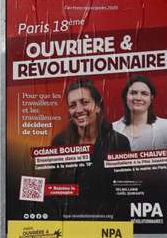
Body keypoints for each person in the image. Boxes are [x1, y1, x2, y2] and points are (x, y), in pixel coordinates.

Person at [48, 79, 131, 219]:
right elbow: (54, 193)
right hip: (70, 224)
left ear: (97, 106)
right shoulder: (59, 142)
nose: (79, 110)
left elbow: (125, 196)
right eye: (72, 105)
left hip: (107, 224)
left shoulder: (119, 143)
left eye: (85, 102)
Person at [112, 74, 167, 152]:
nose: (138, 98)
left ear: (151, 98)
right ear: (126, 96)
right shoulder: (111, 130)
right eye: (133, 93)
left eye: (144, 93)